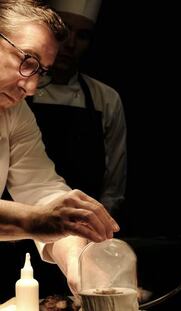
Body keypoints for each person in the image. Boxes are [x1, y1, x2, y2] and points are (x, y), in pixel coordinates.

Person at [0, 0, 118, 295]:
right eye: (28, 61)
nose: (30, 88)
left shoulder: (15, 113)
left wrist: (79, 258)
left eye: (41, 71)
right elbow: (44, 214)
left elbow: (43, 190)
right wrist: (37, 220)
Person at [27, 0, 127, 213]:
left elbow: (114, 184)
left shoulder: (105, 98)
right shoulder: (20, 90)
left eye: (82, 36)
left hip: (84, 224)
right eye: (63, 31)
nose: (71, 43)